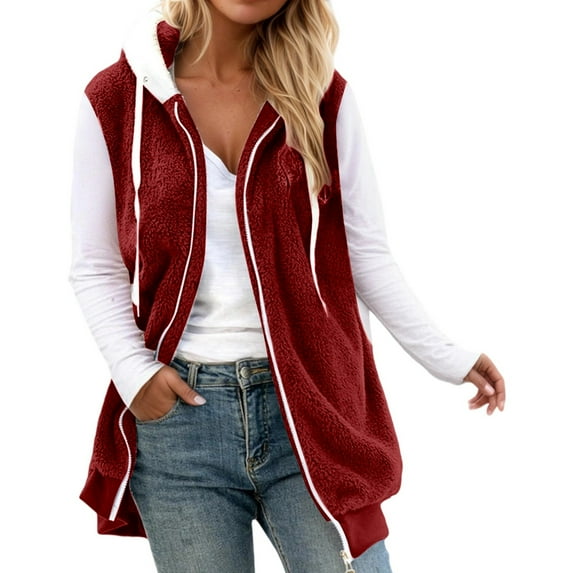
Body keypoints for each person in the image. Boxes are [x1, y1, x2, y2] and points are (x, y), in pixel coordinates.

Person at [69, 1, 506, 571]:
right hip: (182, 426)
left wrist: (448, 356)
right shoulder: (117, 98)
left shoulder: (320, 92)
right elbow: (95, 264)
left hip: (309, 406)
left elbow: (364, 251)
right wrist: (136, 374)